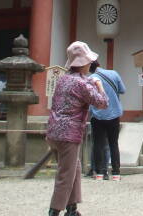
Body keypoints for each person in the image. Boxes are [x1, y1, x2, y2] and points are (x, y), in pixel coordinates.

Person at [46, 41, 108, 216]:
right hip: (68, 135)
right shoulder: (82, 84)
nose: (90, 64)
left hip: (53, 132)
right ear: (83, 63)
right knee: (65, 175)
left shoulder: (63, 79)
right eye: (89, 61)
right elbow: (102, 103)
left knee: (74, 167)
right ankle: (54, 211)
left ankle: (72, 209)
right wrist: (100, 87)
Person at [88, 60, 126, 181]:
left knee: (98, 143)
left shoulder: (91, 78)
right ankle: (116, 173)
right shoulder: (114, 74)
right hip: (114, 114)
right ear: (99, 65)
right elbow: (122, 90)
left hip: (97, 115)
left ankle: (100, 172)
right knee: (113, 143)